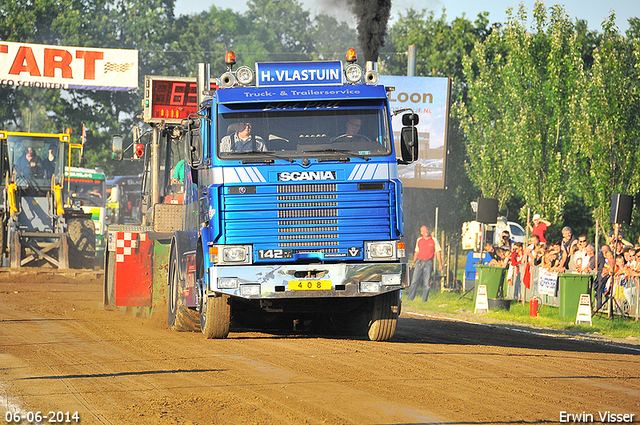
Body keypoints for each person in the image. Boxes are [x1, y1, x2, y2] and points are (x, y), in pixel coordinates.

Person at [408, 225, 443, 303]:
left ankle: (424, 300)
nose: (426, 232)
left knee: (426, 283)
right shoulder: (419, 240)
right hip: (419, 262)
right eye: (423, 231)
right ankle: (410, 298)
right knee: (414, 281)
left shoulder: (434, 240)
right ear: (421, 233)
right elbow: (416, 252)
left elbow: (438, 252)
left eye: (426, 230)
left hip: (428, 262)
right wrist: (412, 263)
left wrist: (440, 264)